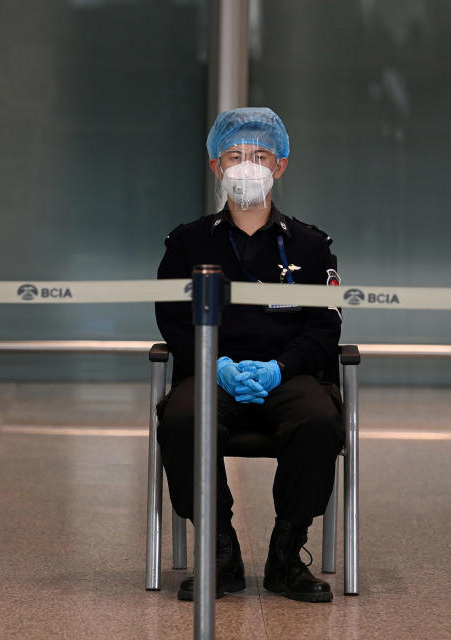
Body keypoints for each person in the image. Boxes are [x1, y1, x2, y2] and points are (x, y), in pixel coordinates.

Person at [155, 107, 344, 603]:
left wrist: (281, 367)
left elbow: (324, 325)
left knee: (319, 418)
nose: (247, 167)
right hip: (213, 371)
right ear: (216, 166)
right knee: (182, 418)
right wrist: (214, 364)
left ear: (280, 165)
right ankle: (222, 552)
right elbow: (174, 320)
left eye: (259, 156)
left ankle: (286, 553)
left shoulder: (312, 245)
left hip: (288, 372)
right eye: (235, 156)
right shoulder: (187, 242)